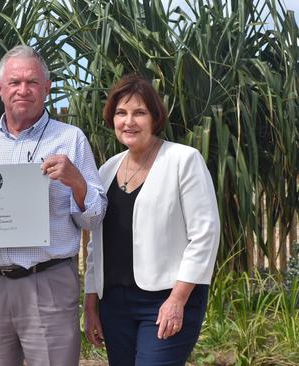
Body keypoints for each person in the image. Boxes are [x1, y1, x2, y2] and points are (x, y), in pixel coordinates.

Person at [0, 45, 107, 366]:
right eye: (14, 82)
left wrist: (77, 182)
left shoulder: (70, 139)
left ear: (47, 88)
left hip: (47, 284)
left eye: (32, 82)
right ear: (0, 89)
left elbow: (94, 219)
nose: (23, 90)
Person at [83, 74, 220, 365]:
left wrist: (177, 300)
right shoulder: (107, 170)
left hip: (166, 299)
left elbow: (205, 235)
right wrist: (91, 305)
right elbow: (97, 245)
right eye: (121, 113)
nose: (129, 121)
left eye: (139, 113)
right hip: (115, 305)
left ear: (155, 118)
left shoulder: (184, 160)